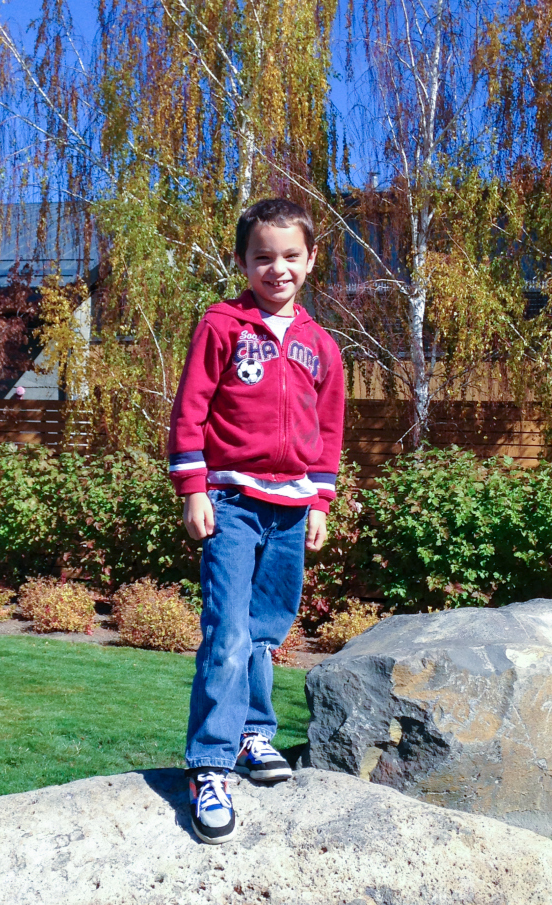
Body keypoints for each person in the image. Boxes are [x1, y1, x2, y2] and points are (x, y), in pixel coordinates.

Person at [168, 198, 345, 844]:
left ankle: (253, 735)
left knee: (267, 631)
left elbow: (329, 432)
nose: (278, 269)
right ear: (242, 262)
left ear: (311, 261)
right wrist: (194, 489)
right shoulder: (222, 327)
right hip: (234, 504)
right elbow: (190, 413)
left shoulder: (321, 346)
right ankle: (209, 764)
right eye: (263, 257)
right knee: (227, 632)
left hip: (292, 510)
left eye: (291, 256)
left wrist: (320, 502)